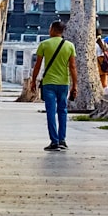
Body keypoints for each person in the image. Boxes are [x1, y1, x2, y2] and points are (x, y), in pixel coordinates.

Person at [28, 21, 78, 151]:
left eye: (50, 28)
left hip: (49, 83)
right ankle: (62, 140)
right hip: (64, 83)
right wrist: (75, 85)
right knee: (63, 111)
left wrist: (33, 80)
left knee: (51, 112)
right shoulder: (70, 46)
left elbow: (37, 65)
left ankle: (54, 141)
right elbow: (72, 67)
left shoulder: (44, 44)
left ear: (53, 30)